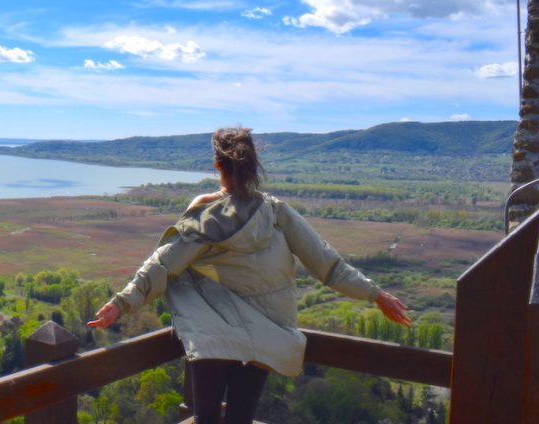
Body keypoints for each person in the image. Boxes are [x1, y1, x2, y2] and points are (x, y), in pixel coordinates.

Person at [87, 127, 411, 424]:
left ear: (217, 165)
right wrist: (376, 294)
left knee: (206, 419)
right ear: (254, 167)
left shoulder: (205, 216)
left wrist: (121, 303)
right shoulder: (277, 212)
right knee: (241, 418)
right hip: (272, 328)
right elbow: (327, 263)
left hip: (214, 330)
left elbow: (164, 264)